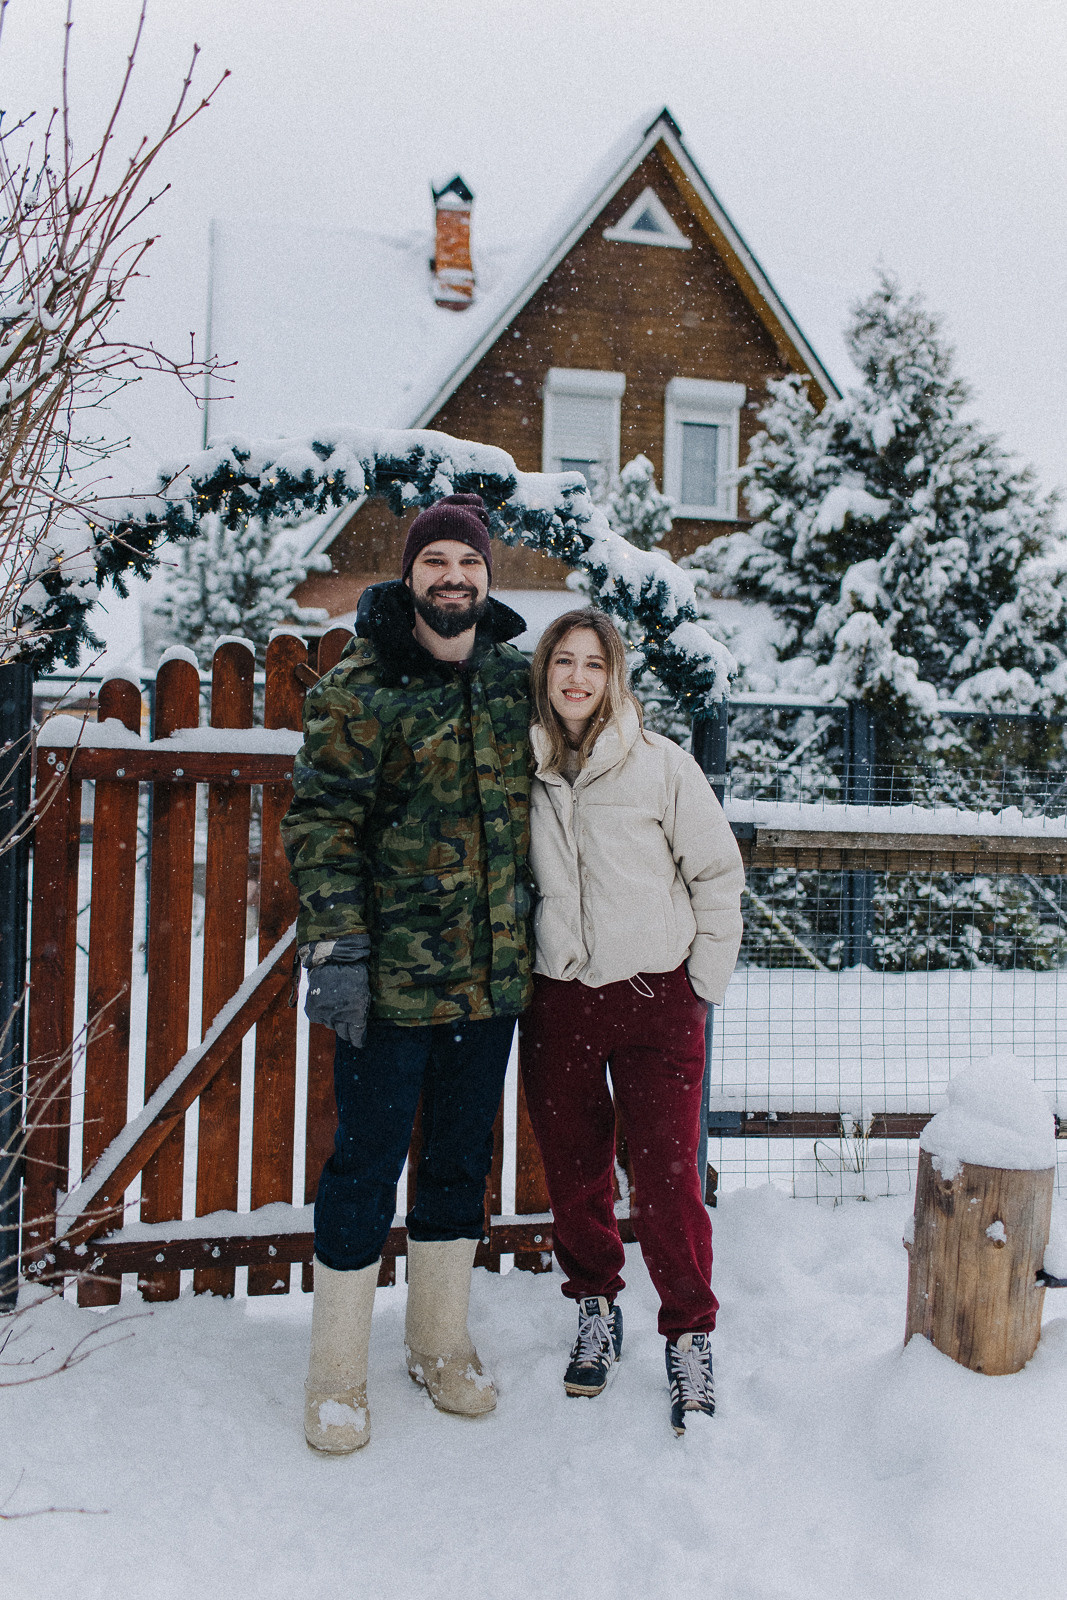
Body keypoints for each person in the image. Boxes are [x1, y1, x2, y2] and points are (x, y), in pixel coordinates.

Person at [281, 493, 532, 1454]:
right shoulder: (359, 685)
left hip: (491, 979)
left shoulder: (513, 680)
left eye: (467, 564)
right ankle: (336, 1371)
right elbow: (322, 823)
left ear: (486, 578)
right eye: (436, 563)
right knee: (364, 1168)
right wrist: (338, 949)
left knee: (459, 1164)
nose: (453, 579)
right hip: (388, 985)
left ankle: (438, 1343)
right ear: (410, 575)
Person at [518, 608, 744, 1435]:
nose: (577, 678)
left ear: (615, 677)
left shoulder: (662, 766)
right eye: (563, 662)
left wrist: (700, 984)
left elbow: (716, 873)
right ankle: (594, 1306)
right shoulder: (524, 768)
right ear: (544, 675)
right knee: (573, 1170)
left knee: (665, 1178)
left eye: (593, 663)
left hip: (656, 1000)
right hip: (559, 998)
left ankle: (688, 1332)